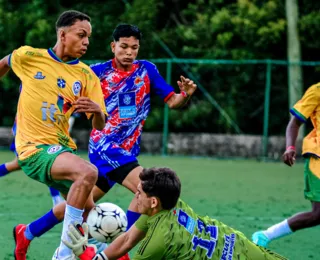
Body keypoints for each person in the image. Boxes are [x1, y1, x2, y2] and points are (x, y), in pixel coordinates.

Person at [12, 23, 197, 260]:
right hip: (105, 146)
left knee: (80, 202)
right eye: (124, 47)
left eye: (134, 48)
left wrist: (186, 95)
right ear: (113, 46)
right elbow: (64, 85)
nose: (129, 52)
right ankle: (121, 251)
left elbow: (173, 102)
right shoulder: (96, 72)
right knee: (147, 188)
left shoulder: (147, 70)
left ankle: (27, 232)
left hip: (127, 151)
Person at [0, 10, 107, 260]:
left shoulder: (86, 75)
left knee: (94, 217)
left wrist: (97, 111)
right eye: (81, 35)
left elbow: (100, 125)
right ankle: (64, 253)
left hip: (61, 150)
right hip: (32, 149)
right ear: (62, 34)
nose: (86, 42)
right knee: (89, 172)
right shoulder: (30, 56)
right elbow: (5, 62)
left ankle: (25, 235)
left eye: (88, 37)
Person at [63, 167, 288, 260]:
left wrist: (85, 254)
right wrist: (99, 257)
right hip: (241, 246)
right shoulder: (170, 204)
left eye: (139, 193)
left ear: (153, 201)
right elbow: (128, 239)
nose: (135, 196)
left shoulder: (159, 240)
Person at [252, 83, 320, 247]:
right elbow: (294, 123)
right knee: (318, 214)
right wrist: (290, 147)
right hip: (318, 160)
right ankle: (265, 235)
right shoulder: (317, 91)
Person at [0, 118, 63, 206]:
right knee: (48, 165)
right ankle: (57, 200)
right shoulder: (31, 106)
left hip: (30, 139)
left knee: (16, 165)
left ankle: (57, 200)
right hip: (27, 141)